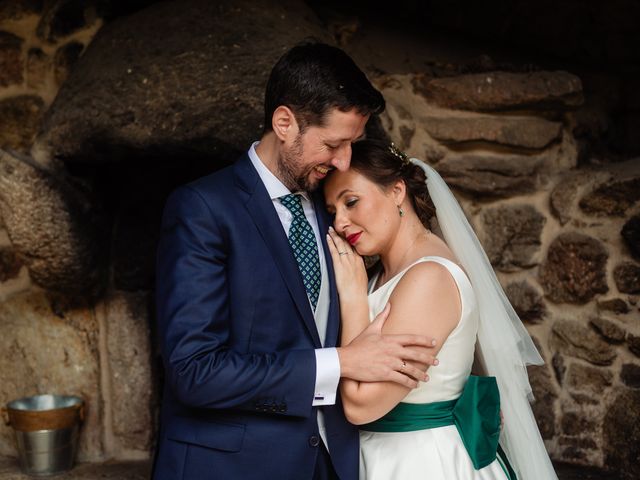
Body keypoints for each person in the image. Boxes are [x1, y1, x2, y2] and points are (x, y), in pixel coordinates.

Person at [153, 43, 438, 480]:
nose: (344, 161)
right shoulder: (203, 209)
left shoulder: (337, 211)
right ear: (284, 123)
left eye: (352, 145)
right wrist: (341, 363)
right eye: (333, 143)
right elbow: (194, 371)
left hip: (333, 462)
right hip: (230, 466)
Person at [324, 140, 558, 480]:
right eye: (333, 211)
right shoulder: (377, 274)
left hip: (421, 460)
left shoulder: (429, 279)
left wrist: (353, 298)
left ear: (397, 191)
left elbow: (361, 405)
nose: (341, 222)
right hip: (374, 455)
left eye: (351, 202)